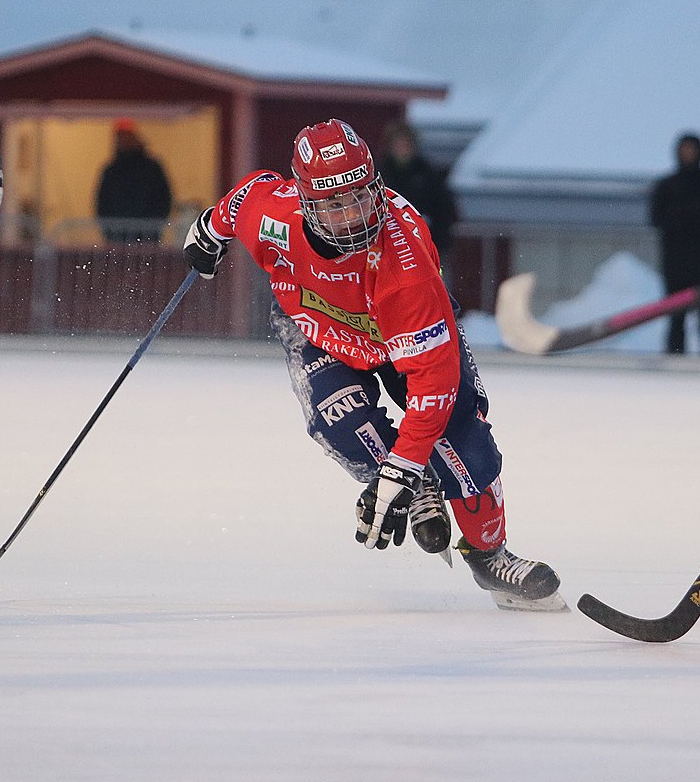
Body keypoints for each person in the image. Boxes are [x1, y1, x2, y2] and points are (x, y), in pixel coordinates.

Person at [182, 118, 563, 611]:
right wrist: (208, 230)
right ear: (306, 204)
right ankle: (412, 480)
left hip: (404, 337)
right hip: (316, 329)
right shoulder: (273, 217)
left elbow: (434, 386)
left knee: (463, 440)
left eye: (362, 195)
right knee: (339, 422)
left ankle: (489, 555)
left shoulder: (405, 267)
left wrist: (402, 464)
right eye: (336, 204)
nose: (356, 214)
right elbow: (244, 198)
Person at [650, 131, 700, 354]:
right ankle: (674, 362)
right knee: (676, 318)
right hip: (676, 264)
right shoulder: (665, 187)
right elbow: (656, 218)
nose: (688, 155)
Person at [378, 120, 458, 264]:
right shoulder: (380, 174)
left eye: (406, 143)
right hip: (387, 246)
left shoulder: (429, 175)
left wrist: (435, 238)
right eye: (399, 143)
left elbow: (446, 210)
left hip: (425, 245)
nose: (403, 148)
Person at [95, 119, 172, 243]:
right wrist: (110, 232)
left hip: (148, 238)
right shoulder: (111, 171)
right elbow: (102, 204)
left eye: (125, 137)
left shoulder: (152, 168)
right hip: (117, 240)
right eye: (119, 138)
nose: (122, 141)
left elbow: (163, 199)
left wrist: (153, 227)